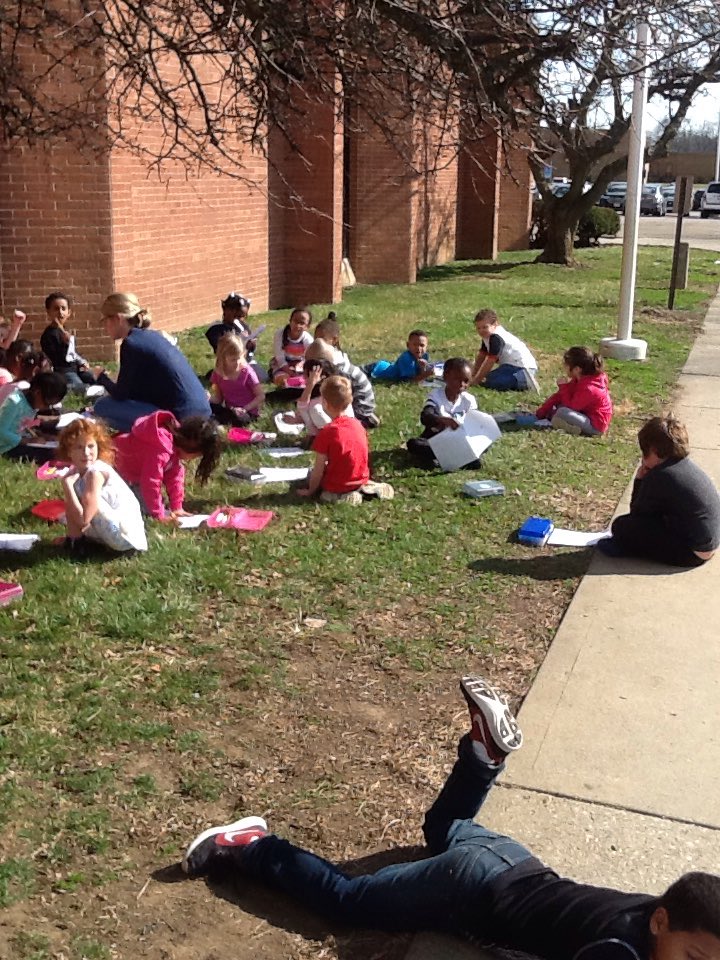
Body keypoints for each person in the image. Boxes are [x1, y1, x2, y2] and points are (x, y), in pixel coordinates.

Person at [182, 675, 720, 960]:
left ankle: (483, 754)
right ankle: (252, 844)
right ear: (660, 922)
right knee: (348, 903)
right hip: (470, 891)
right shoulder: (617, 951)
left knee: (442, 831)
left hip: (511, 862)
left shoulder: (660, 919)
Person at [597, 415, 720, 567]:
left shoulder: (660, 475)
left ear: (653, 450)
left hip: (691, 552)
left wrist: (640, 478)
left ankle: (629, 549)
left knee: (621, 526)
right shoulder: (684, 466)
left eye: (644, 453)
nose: (643, 458)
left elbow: (637, 514)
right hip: (708, 544)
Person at [93, 293, 211, 432]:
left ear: (118, 318)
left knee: (102, 407)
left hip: (181, 421)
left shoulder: (131, 344)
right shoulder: (152, 336)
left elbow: (121, 394)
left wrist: (101, 377)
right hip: (202, 414)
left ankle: (162, 435)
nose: (105, 327)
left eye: (105, 320)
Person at [56, 417, 148, 555]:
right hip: (115, 532)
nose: (86, 453)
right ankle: (74, 541)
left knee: (83, 497)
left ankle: (82, 543)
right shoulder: (76, 472)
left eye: (91, 446)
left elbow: (83, 520)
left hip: (125, 538)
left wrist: (67, 486)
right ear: (69, 451)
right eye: (79, 447)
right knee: (75, 495)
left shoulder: (96, 473)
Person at [297, 375, 393, 505]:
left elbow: (318, 468)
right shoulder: (358, 425)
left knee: (319, 487)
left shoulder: (327, 431)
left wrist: (310, 491)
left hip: (338, 485)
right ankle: (366, 488)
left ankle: (346, 496)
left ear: (324, 403)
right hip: (361, 477)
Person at [114, 411, 223, 521]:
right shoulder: (160, 450)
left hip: (132, 474)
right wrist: (158, 515)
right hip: (112, 467)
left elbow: (175, 477)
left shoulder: (173, 448)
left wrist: (177, 507)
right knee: (138, 508)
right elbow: (151, 482)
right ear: (192, 450)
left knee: (149, 504)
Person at [407, 357, 478, 468]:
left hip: (459, 441)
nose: (461, 384)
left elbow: (474, 424)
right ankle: (456, 458)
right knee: (414, 444)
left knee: (481, 445)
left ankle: (444, 458)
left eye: (466, 381)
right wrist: (442, 420)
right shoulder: (436, 396)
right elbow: (426, 416)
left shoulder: (469, 400)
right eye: (457, 379)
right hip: (436, 439)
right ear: (445, 377)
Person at [313, 316, 379, 428]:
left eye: (322, 339)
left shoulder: (337, 365)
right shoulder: (330, 356)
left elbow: (338, 391)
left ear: (334, 340)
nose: (318, 343)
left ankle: (365, 419)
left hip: (360, 405)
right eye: (316, 339)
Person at [535, 347, 613, 436]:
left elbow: (571, 406)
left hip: (595, 426)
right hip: (583, 414)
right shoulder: (579, 380)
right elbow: (559, 396)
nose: (564, 367)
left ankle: (574, 429)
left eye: (566, 365)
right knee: (558, 408)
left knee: (562, 411)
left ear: (577, 369)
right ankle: (557, 420)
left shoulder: (589, 389)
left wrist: (563, 387)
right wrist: (541, 412)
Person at [0, 372, 67, 462]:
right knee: (47, 454)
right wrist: (26, 440)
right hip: (6, 447)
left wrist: (42, 436)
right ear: (37, 393)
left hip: (20, 440)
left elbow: (24, 426)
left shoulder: (32, 403)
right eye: (47, 403)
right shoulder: (14, 402)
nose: (48, 408)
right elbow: (2, 432)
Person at [39, 291, 98, 394]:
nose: (60, 313)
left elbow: (74, 353)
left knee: (94, 378)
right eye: (56, 309)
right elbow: (57, 359)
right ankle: (66, 388)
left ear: (68, 312)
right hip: (63, 371)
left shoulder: (66, 330)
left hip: (75, 368)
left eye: (63, 309)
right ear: (48, 312)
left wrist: (82, 362)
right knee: (80, 387)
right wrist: (65, 344)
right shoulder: (48, 335)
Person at [469, 309, 539, 392]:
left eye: (485, 327)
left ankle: (525, 382)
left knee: (494, 382)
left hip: (522, 368)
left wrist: (476, 381)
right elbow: (481, 356)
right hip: (508, 366)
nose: (481, 331)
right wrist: (473, 374)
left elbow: (490, 361)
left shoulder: (496, 338)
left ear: (495, 324)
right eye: (478, 328)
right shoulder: (487, 337)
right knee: (487, 378)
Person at [209, 334, 264, 427]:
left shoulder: (247, 372)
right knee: (207, 407)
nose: (237, 362)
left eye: (239, 358)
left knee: (237, 418)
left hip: (247, 412)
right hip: (230, 410)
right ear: (223, 358)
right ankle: (216, 421)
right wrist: (208, 399)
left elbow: (261, 396)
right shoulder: (218, 373)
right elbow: (219, 399)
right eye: (233, 360)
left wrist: (245, 409)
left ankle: (218, 422)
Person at [364, 330, 434, 383]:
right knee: (354, 374)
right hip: (375, 369)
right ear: (408, 345)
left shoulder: (424, 355)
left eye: (422, 345)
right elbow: (407, 381)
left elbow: (418, 374)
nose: (418, 348)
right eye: (415, 345)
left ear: (427, 346)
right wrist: (426, 374)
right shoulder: (406, 358)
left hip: (385, 366)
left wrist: (423, 369)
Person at [268, 308, 314, 386]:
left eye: (302, 323)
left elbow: (310, 358)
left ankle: (296, 382)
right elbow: (280, 358)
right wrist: (291, 373)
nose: (297, 325)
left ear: (307, 326)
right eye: (295, 321)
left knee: (310, 379)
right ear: (290, 321)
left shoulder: (308, 339)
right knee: (282, 380)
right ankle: (291, 382)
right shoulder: (280, 334)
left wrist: (301, 368)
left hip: (299, 366)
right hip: (282, 366)